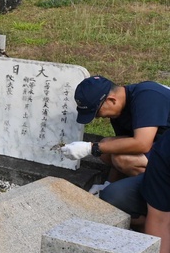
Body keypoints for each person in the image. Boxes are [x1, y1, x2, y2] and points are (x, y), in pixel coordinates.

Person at [60, 76, 170, 211]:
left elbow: (142, 144)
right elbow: (121, 147)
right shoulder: (119, 111)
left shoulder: (147, 96)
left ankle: (155, 201)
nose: (98, 117)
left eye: (97, 112)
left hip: (164, 151)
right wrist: (108, 184)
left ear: (111, 100)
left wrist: (92, 148)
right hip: (162, 147)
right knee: (107, 147)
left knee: (124, 159)